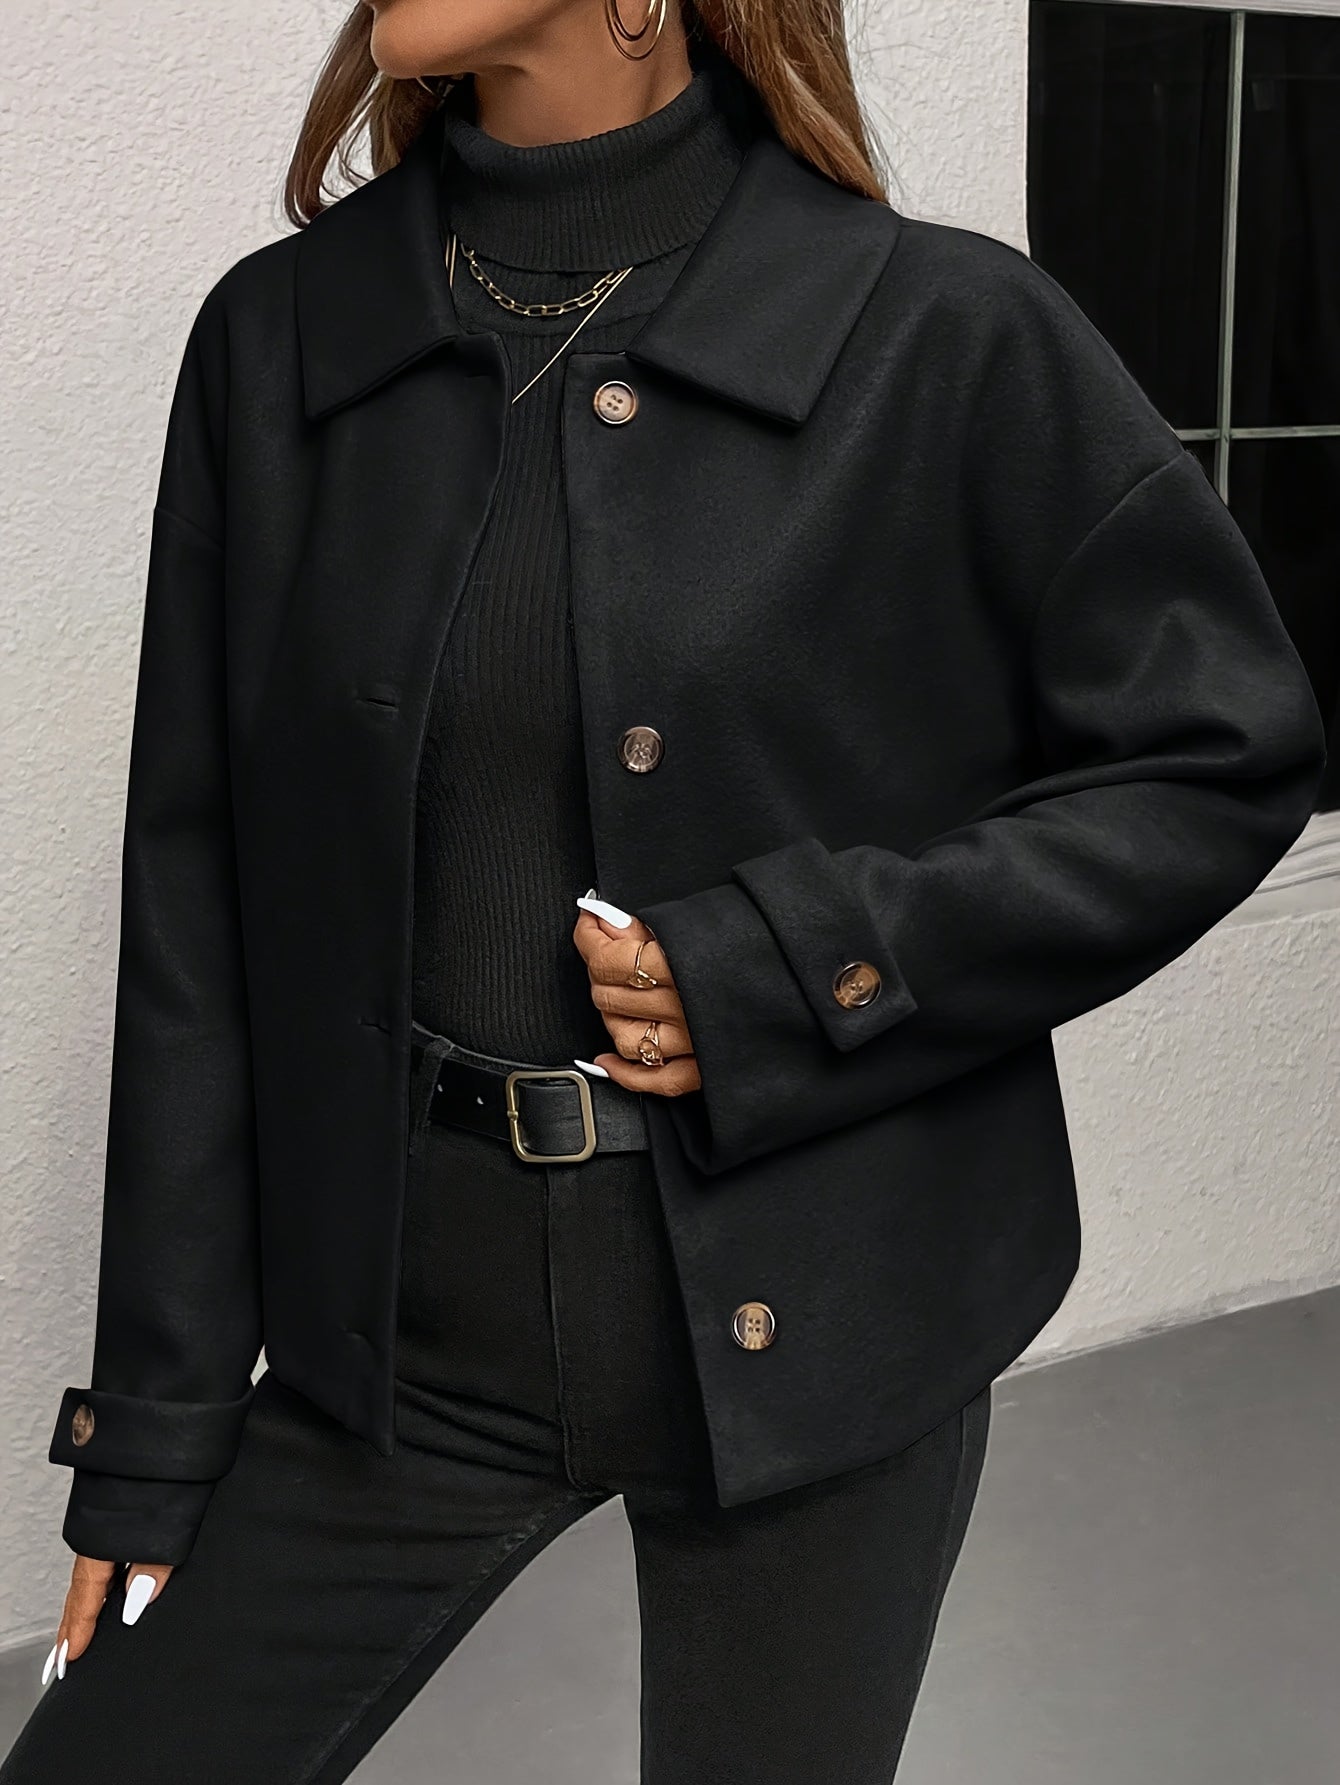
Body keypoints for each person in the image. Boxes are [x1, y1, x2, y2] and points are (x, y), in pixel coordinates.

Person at [2, 0, 1326, 1777]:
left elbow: (1221, 746)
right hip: (403, 1333)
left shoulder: (941, 331)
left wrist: (806, 963)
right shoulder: (281, 339)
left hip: (831, 1317)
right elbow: (196, 909)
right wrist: (155, 1429)